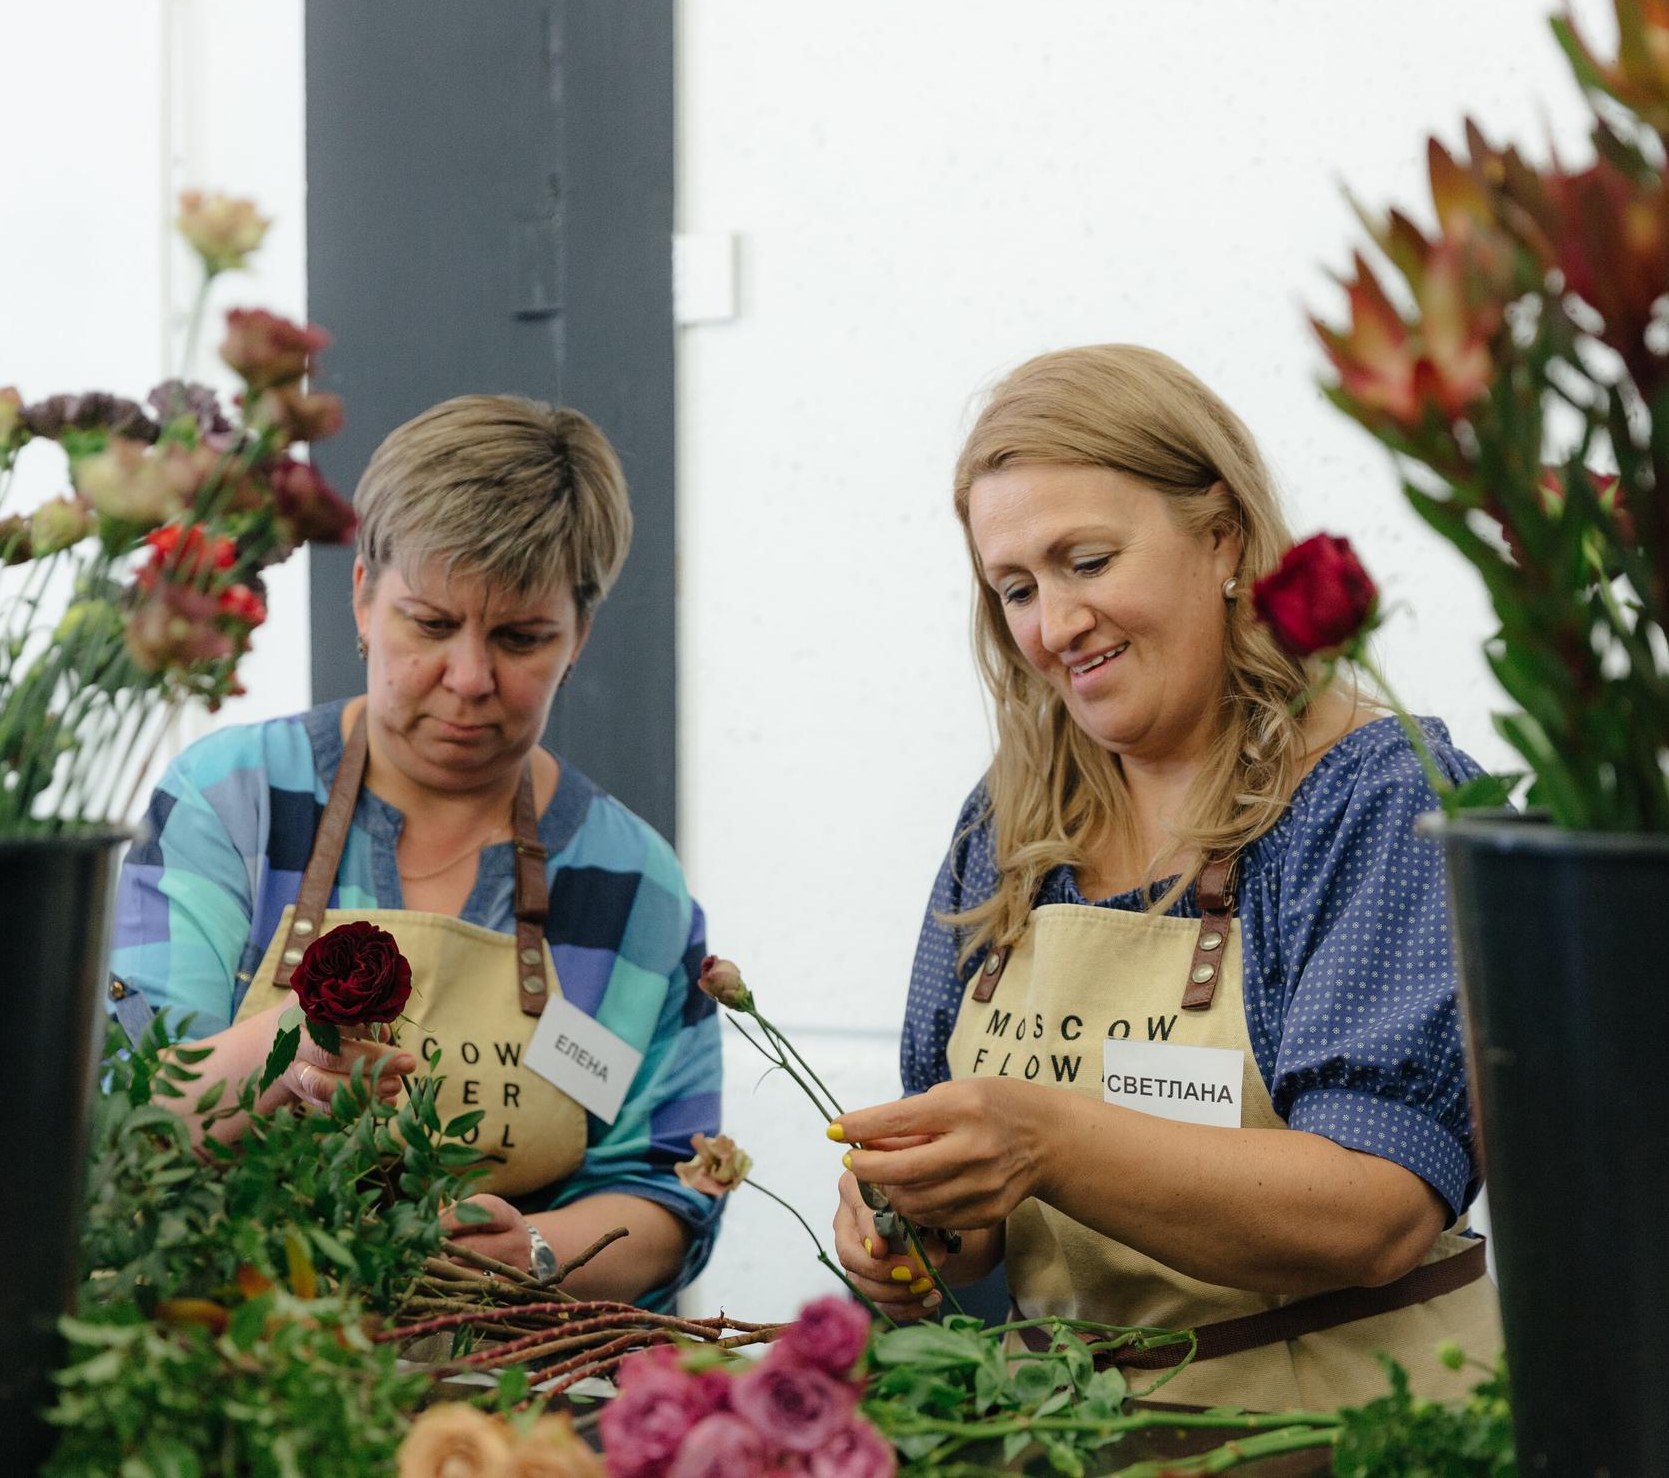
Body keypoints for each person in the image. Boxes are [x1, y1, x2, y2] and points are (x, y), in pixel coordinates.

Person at [829, 345, 1503, 1410]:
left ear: (1223, 536)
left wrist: (1044, 1139)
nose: (1053, 628)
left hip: (1348, 1429)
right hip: (1079, 1430)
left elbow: (1375, 1210)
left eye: (1086, 561)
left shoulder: (1372, 803)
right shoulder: (1011, 824)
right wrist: (919, 1228)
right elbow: (970, 1196)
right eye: (1016, 588)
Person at [109, 395, 722, 1309]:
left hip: (510, 1389)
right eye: (430, 625)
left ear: (578, 637)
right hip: (236, 1351)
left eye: (521, 638)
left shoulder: (631, 885)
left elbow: (670, 1188)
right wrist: (294, 1048)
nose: (470, 679)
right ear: (362, 598)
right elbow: (134, 1110)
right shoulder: (234, 802)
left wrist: (532, 1254)